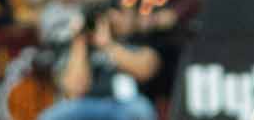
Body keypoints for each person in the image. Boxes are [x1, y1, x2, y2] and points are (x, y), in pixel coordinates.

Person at [38, 7, 169, 120]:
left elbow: (146, 70)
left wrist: (107, 44)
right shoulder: (76, 47)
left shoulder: (133, 41)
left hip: (123, 103)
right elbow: (74, 89)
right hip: (83, 103)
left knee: (141, 110)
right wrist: (79, 40)